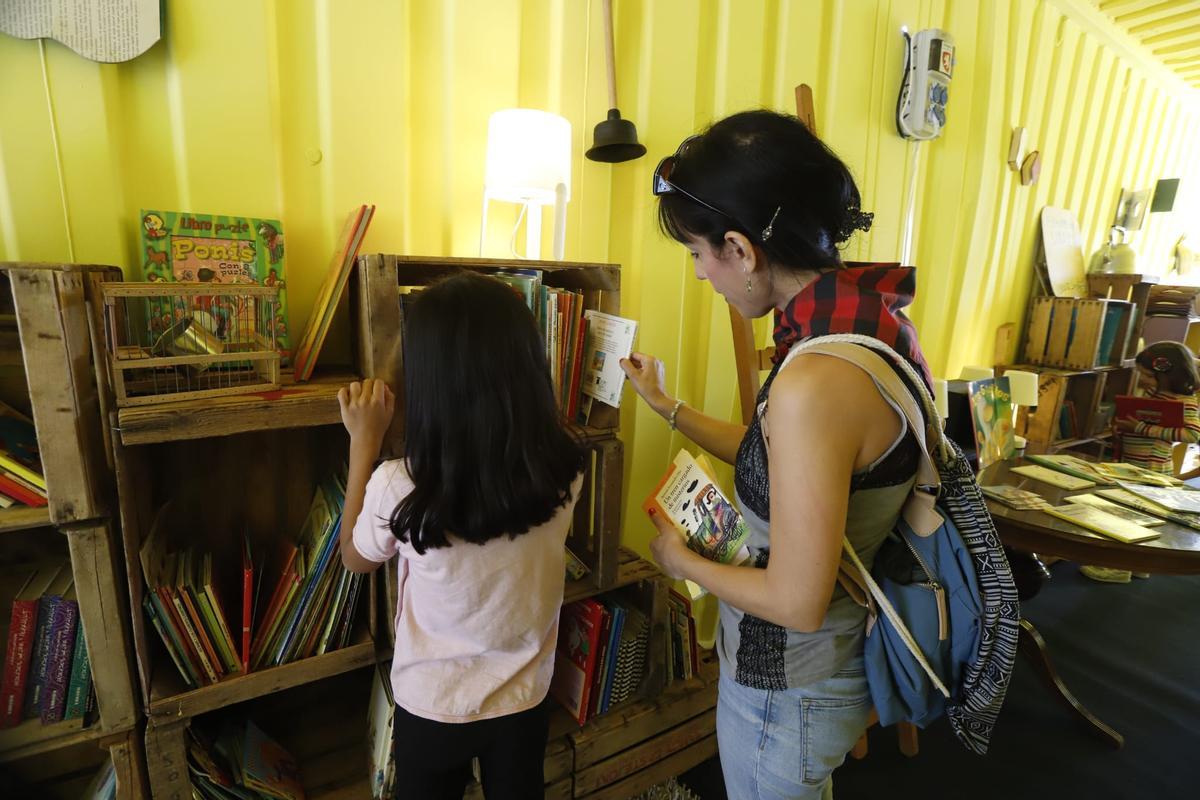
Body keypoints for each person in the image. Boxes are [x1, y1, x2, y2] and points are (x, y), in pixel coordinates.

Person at [621, 109, 934, 799]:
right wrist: (670, 409)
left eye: (699, 253)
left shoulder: (814, 382)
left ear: (740, 247)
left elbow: (796, 602)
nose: (702, 274)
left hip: (786, 686)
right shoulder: (867, 321)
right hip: (830, 669)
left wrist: (680, 562)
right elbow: (793, 467)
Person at [336, 272, 587, 799]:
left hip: (432, 703)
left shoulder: (398, 484)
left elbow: (355, 560)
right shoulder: (567, 466)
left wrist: (365, 442)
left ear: (430, 382)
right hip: (523, 695)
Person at [1083, 341, 1200, 583]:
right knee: (1126, 513)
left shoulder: (1183, 400)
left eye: (1146, 374)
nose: (1142, 379)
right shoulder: (1151, 395)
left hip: (1153, 469)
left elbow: (1193, 434)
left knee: (1132, 517)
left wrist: (1141, 427)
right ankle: (1136, 564)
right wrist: (1122, 427)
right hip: (1133, 465)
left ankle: (1119, 568)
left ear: (1166, 373)